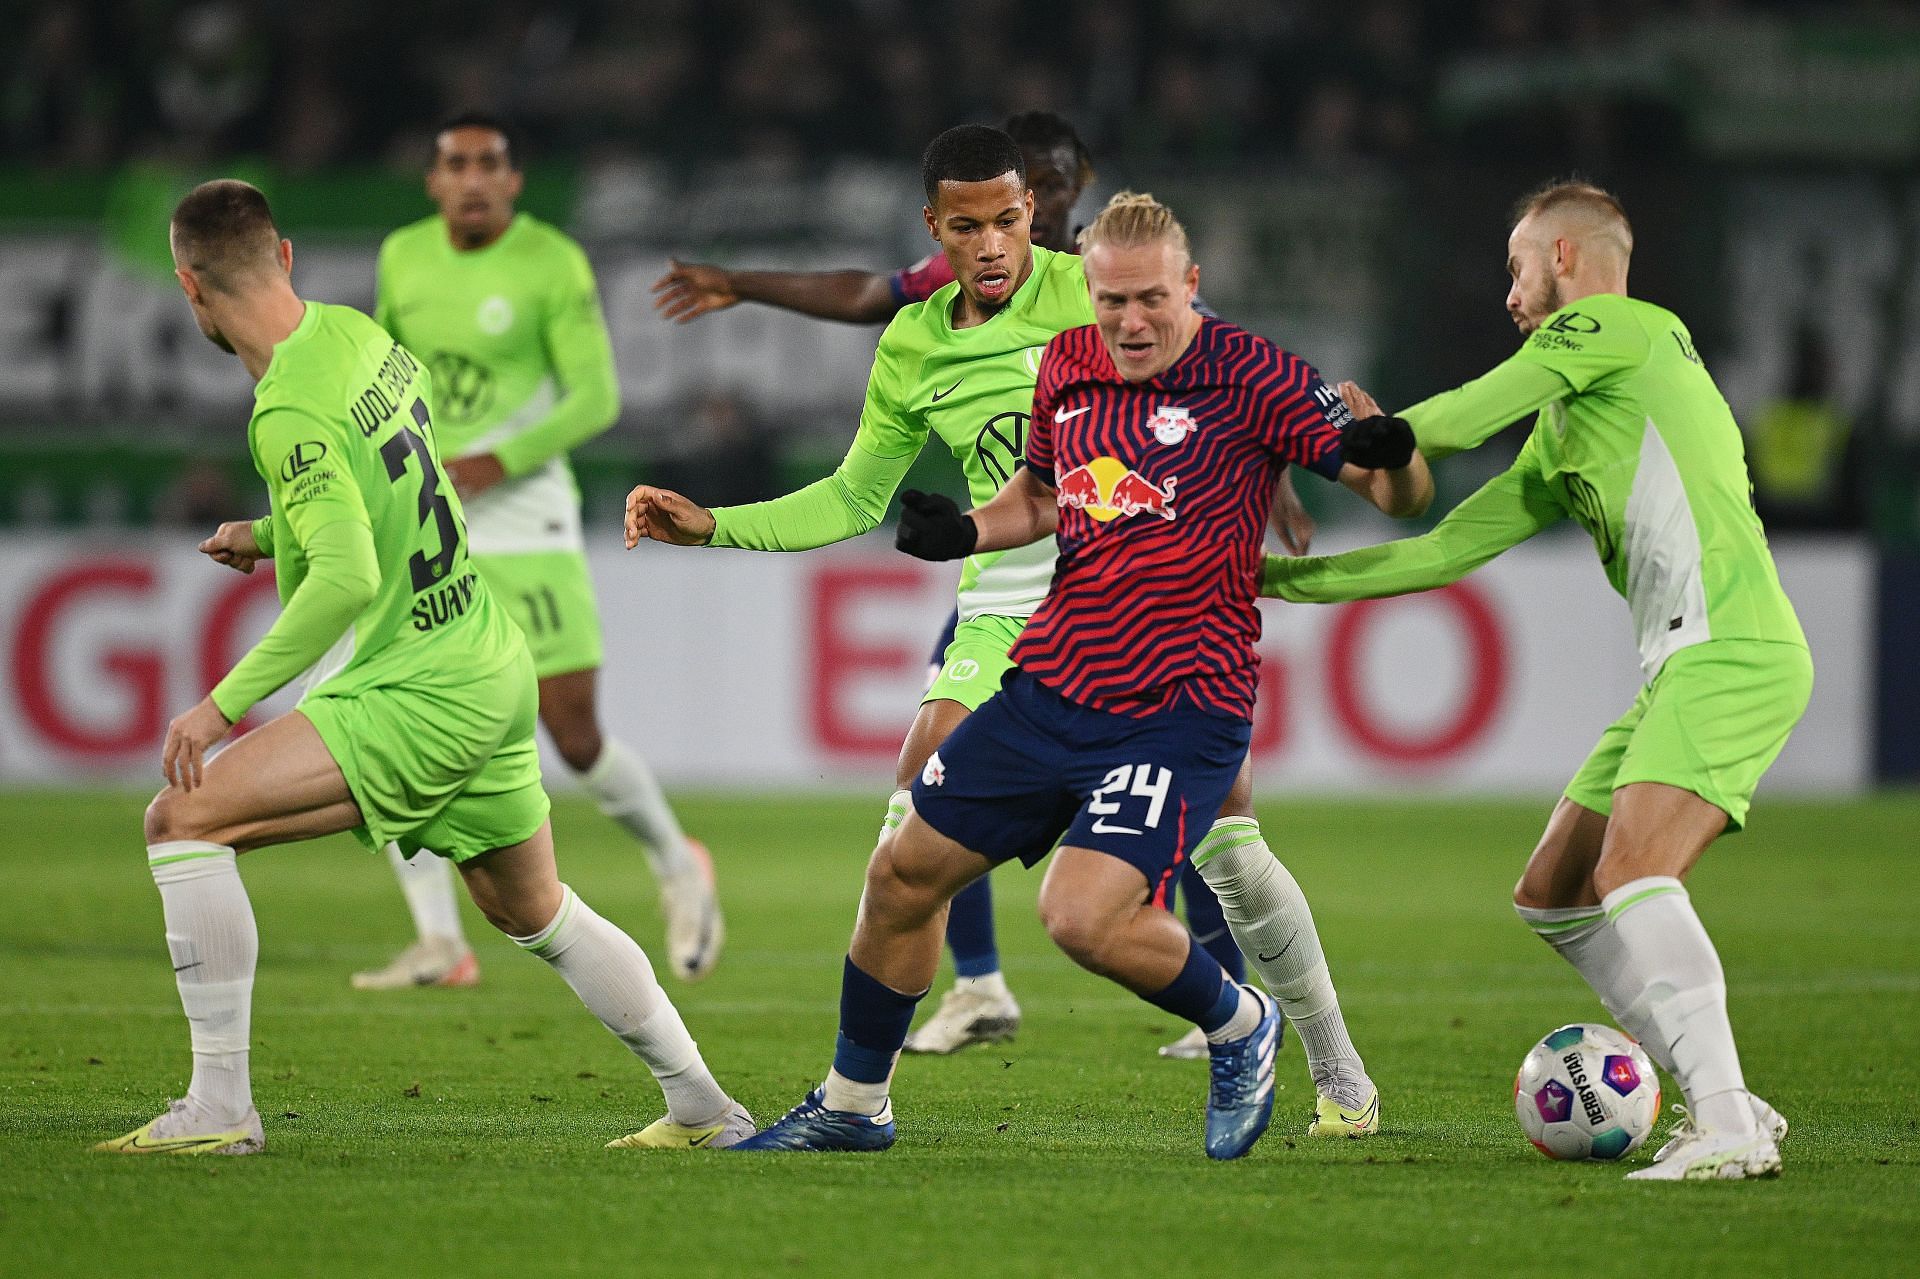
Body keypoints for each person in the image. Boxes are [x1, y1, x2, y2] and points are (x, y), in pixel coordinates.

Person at [716, 190, 1428, 1155]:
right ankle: (852, 1104)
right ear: (1084, 291)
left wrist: (1396, 458)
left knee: (1083, 914)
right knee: (901, 873)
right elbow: (1047, 495)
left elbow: (1391, 493)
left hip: (1181, 702)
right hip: (1054, 683)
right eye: (1109, 302)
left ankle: (1242, 1023)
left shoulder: (1255, 374)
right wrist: (964, 530)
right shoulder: (1069, 362)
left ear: (1192, 286)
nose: (1129, 323)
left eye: (1149, 301)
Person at [97, 180, 752, 1156]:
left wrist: (217, 706)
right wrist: (274, 534)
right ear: (284, 257)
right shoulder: (358, 335)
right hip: (487, 657)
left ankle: (220, 1106)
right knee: (535, 908)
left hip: (419, 687)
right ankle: (706, 1106)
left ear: (191, 289)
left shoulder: (284, 410)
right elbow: (404, 487)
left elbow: (349, 577)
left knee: (182, 818)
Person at [650, 113, 1320, 1065]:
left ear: (1033, 211)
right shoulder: (915, 346)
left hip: (1136, 588)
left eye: (1010, 218)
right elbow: (851, 498)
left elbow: (1214, 368)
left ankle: (1317, 1058)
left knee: (1234, 849)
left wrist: (1279, 473)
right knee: (912, 816)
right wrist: (714, 524)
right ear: (936, 229)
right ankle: (892, 1061)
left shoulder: (1086, 294)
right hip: (1008, 599)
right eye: (969, 227)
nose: (994, 244)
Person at [1259, 180, 1808, 1181]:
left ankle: (1727, 1117)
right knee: (1555, 892)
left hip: (1730, 644)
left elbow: (1473, 411)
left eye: (1515, 268)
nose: (1509, 295)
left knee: (1635, 872)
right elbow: (1436, 552)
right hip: (1680, 662)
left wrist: (1388, 434)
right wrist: (1268, 579)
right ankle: (1720, 1095)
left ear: (1563, 256)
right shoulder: (1569, 426)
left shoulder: (1627, 327)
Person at [361, 113, 721, 991]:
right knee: (393, 718)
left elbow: (595, 397)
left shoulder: (550, 260)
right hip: (432, 519)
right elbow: (378, 376)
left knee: (573, 733)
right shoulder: (403, 257)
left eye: (490, 164)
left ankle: (679, 864)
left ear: (514, 181)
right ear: (432, 180)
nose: (474, 178)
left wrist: (500, 458)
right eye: (456, 163)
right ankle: (440, 940)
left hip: (530, 520)